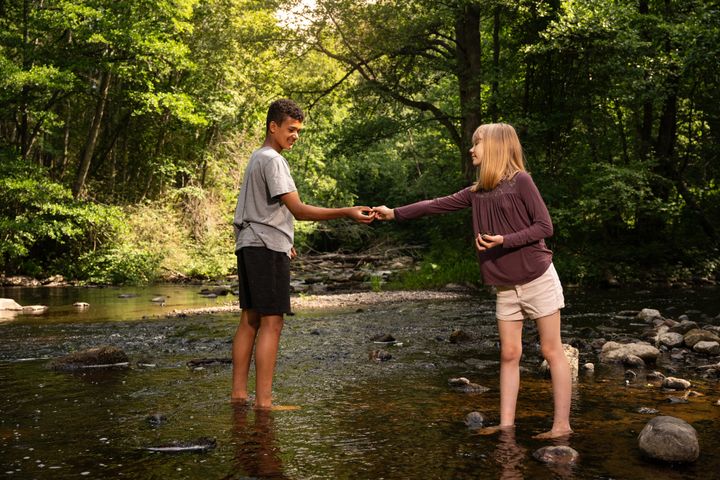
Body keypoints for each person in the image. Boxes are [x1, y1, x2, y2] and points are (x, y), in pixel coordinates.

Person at [373, 123, 572, 439]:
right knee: (508, 353)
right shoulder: (477, 192)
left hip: (537, 278)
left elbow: (544, 227)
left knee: (551, 350)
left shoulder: (522, 181)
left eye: (476, 143)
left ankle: (561, 426)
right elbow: (434, 205)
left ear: (494, 147)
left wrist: (504, 240)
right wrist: (394, 213)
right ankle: (506, 425)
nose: (471, 149)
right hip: (505, 286)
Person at [232, 99, 374, 409]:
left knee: (249, 321)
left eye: (299, 131)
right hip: (264, 247)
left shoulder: (257, 157)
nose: (296, 135)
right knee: (272, 322)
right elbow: (298, 210)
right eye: (291, 129)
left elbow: (259, 210)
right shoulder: (274, 161)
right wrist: (347, 211)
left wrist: (284, 239)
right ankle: (265, 402)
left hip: (249, 243)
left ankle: (240, 396)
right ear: (274, 127)